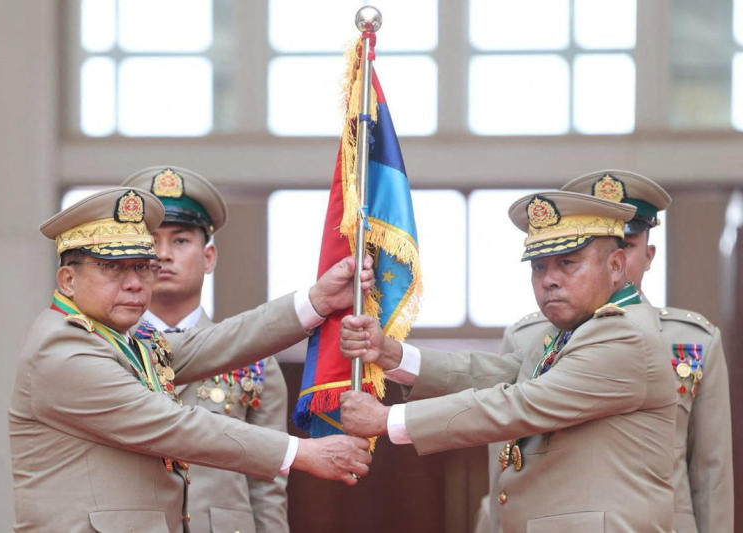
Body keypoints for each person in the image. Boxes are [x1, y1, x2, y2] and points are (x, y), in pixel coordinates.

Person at [9, 187, 374, 533]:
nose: (135, 283)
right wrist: (303, 452)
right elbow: (174, 426)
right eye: (113, 268)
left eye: (141, 267)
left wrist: (316, 302)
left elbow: (211, 343)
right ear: (68, 280)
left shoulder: (118, 339)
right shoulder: (64, 350)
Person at [338, 190, 677, 533]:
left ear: (616, 266)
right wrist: (393, 355)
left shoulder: (623, 335)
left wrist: (388, 419)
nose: (550, 280)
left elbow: (521, 403)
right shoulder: (576, 329)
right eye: (539, 266)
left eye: (568, 262)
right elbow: (500, 375)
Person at [561, 170, 733, 533]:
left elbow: (710, 473)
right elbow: (507, 469)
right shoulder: (532, 339)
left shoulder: (695, 342)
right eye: (593, 247)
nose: (614, 261)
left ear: (649, 255)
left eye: (626, 245)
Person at [122, 165, 290, 533]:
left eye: (180, 241)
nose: (163, 255)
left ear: (209, 257)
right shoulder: (107, 351)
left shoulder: (253, 358)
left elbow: (268, 484)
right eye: (151, 242)